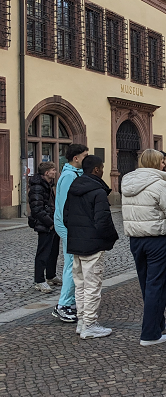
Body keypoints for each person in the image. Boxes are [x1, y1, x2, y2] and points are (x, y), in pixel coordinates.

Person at [122, 148, 166, 346]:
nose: (165, 164)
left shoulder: (127, 182)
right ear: (155, 163)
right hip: (157, 238)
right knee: (156, 284)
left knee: (147, 283)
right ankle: (150, 334)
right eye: (162, 161)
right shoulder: (160, 184)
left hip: (136, 239)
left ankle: (158, 323)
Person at [63, 155, 119, 339]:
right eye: (102, 168)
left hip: (76, 242)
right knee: (92, 285)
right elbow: (103, 221)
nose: (103, 171)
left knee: (80, 285)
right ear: (96, 169)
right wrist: (110, 238)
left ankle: (82, 321)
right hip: (93, 244)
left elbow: (66, 216)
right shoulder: (98, 191)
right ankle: (90, 324)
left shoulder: (74, 187)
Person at [52, 143, 89, 323]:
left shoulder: (75, 174)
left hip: (71, 225)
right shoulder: (69, 176)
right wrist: (71, 227)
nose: (87, 159)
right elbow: (66, 205)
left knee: (73, 264)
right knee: (71, 266)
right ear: (76, 158)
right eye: (85, 156)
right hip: (67, 226)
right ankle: (64, 304)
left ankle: (70, 301)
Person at [28, 161, 61, 293]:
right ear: (47, 173)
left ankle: (51, 276)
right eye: (53, 170)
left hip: (52, 223)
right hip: (45, 224)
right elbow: (37, 209)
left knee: (53, 251)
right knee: (43, 252)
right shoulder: (38, 187)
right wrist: (50, 223)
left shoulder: (48, 185)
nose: (55, 172)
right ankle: (39, 280)